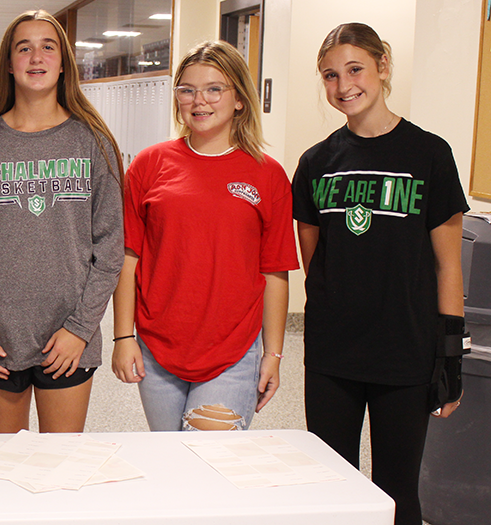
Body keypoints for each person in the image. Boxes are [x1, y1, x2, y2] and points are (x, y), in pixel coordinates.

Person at [292, 23, 469, 525]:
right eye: (329, 75)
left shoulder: (430, 155)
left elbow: (447, 264)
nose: (343, 85)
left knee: (396, 494)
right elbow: (315, 261)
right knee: (332, 490)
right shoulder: (316, 162)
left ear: (382, 66)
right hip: (332, 355)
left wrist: (450, 355)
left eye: (354, 69)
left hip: (405, 354)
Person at [0, 10, 124, 433]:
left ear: (64, 63)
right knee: (5, 467)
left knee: (59, 470)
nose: (36, 56)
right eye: (23, 47)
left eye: (48, 46)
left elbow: (110, 249)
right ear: (8, 63)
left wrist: (80, 330)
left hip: (67, 338)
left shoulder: (93, 142)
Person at [112, 41, 299, 432]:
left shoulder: (268, 174)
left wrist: (274, 354)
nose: (199, 100)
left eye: (214, 89)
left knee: (207, 467)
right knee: (171, 464)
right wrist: (122, 336)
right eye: (187, 90)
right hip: (158, 344)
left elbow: (276, 272)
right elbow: (128, 258)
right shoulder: (150, 164)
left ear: (239, 101)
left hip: (232, 349)